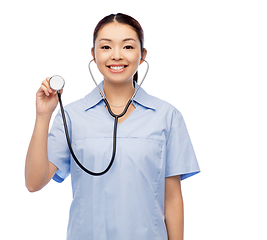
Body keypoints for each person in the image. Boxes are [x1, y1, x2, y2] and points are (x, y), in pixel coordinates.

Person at [25, 13, 200, 240]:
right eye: (106, 47)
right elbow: (34, 182)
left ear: (142, 55)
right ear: (93, 54)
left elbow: (172, 198)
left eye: (127, 47)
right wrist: (43, 116)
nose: (116, 55)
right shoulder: (72, 116)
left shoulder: (167, 116)